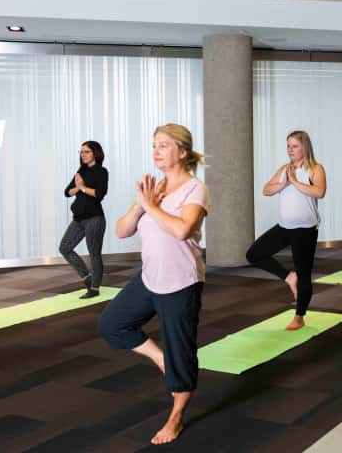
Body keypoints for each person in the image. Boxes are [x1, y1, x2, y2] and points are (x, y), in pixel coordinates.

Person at [98, 124, 208, 445]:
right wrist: (139, 204)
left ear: (182, 152)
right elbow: (121, 231)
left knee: (183, 356)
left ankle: (176, 418)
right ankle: (161, 359)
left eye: (163, 146)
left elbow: (182, 230)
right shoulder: (154, 189)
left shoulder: (195, 189)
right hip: (149, 279)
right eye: (154, 145)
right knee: (111, 324)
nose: (156, 152)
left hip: (181, 283)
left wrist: (152, 207)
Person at [246, 130, 327, 331]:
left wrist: (296, 182)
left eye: (294, 146)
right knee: (254, 254)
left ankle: (299, 315)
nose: (290, 150)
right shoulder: (285, 169)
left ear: (304, 147)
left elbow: (319, 192)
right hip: (284, 227)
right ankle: (289, 277)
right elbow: (266, 189)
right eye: (288, 146)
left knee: (304, 273)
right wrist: (284, 182)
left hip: (305, 230)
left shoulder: (316, 169)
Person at [59, 141, 109, 298]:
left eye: (86, 151)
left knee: (94, 253)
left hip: (94, 218)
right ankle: (87, 278)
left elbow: (99, 193)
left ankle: (94, 288)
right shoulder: (80, 171)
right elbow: (67, 192)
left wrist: (81, 188)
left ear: (95, 153)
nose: (83, 155)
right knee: (65, 248)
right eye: (81, 152)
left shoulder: (101, 171)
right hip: (78, 218)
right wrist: (78, 187)